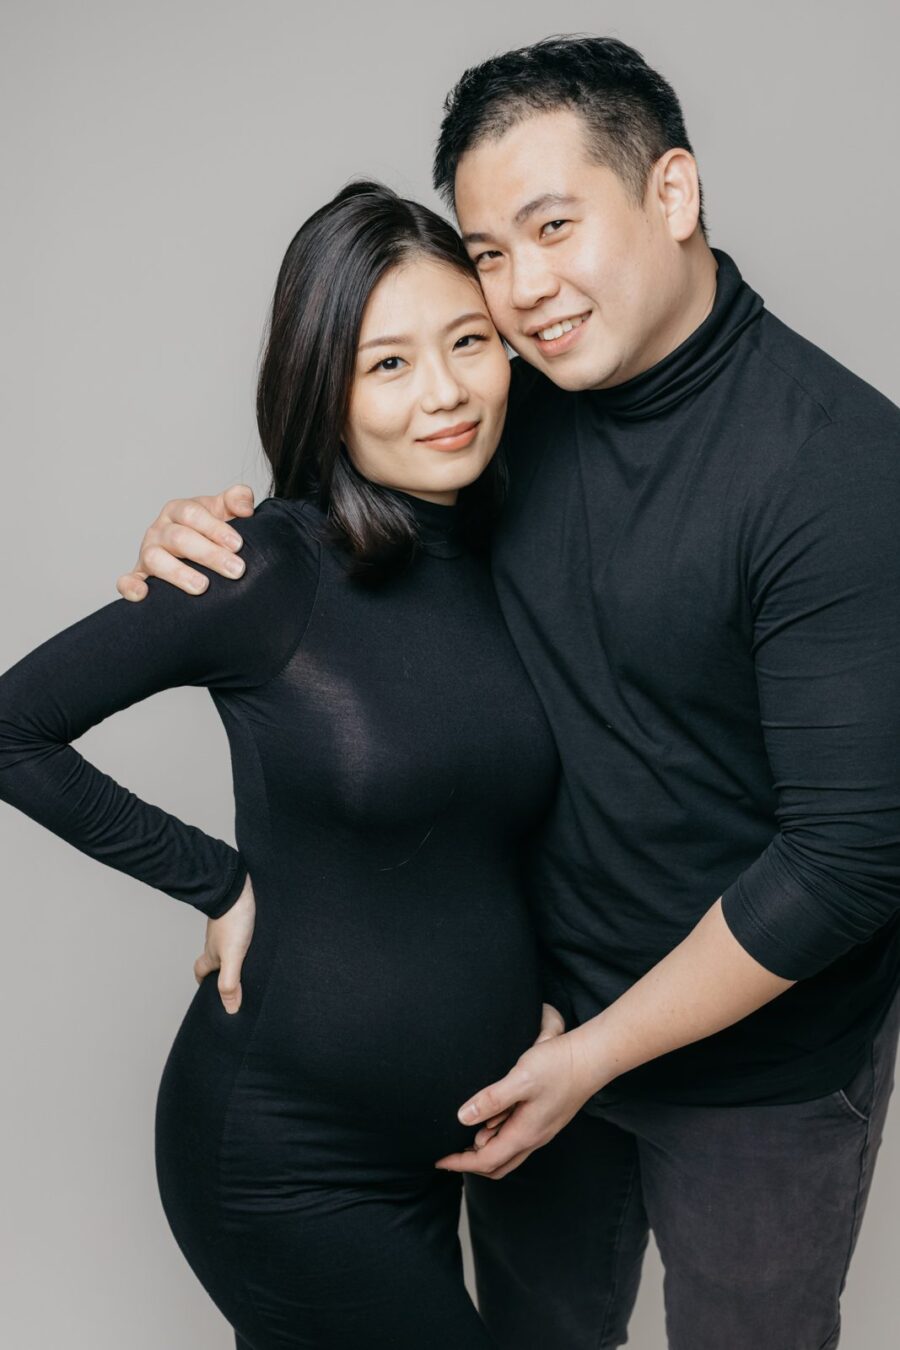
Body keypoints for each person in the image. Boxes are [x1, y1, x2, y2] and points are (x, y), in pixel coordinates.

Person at [128, 35, 900, 1350]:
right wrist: (212, 538)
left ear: (671, 194)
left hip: (755, 1076)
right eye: (490, 252)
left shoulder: (839, 464)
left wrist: (596, 1054)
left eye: (555, 226)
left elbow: (852, 856)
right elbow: (360, 593)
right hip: (528, 1030)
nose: (525, 290)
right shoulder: (505, 401)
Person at [0, 180, 564, 1348]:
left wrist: (565, 1015)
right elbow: (14, 726)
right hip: (279, 1159)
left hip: (441, 1152)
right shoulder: (265, 569)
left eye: (468, 342)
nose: (446, 392)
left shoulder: (521, 548)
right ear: (326, 390)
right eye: (388, 364)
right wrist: (211, 877)